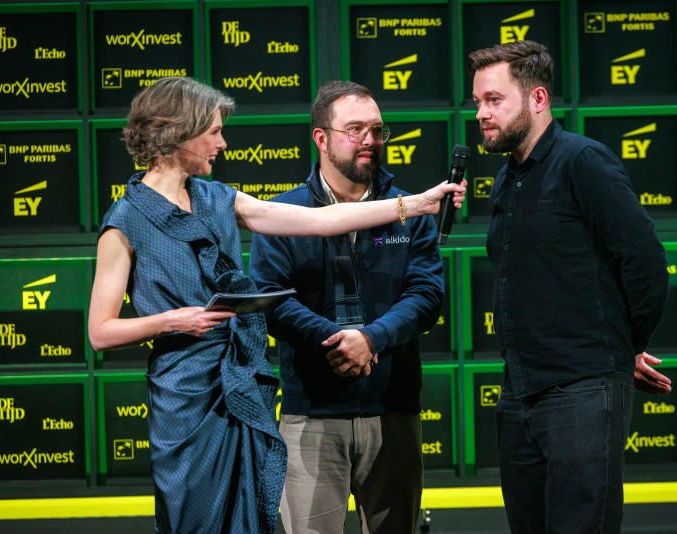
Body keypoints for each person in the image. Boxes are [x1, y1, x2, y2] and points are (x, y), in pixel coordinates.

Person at [86, 76, 465, 534]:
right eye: (214, 132)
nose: (223, 143)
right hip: (185, 395)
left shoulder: (216, 197)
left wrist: (417, 204)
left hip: (239, 385)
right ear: (179, 132)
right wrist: (173, 320)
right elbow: (100, 332)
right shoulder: (125, 219)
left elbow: (320, 221)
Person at [468, 41, 672, 534]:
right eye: (477, 102)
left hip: (582, 392)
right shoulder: (506, 179)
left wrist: (626, 347)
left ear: (538, 98)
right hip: (519, 394)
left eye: (494, 100)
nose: (481, 114)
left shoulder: (584, 161)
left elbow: (645, 260)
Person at [247, 80, 443, 534]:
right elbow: (271, 299)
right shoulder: (283, 213)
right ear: (321, 138)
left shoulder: (408, 210)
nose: (370, 140)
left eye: (377, 130)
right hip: (310, 414)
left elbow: (426, 296)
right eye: (355, 130)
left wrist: (371, 339)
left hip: (392, 412)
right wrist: (337, 341)